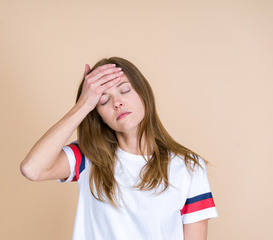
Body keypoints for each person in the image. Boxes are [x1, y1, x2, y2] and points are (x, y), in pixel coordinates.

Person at [20, 57, 218, 240]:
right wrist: (83, 104)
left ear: (143, 93)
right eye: (103, 100)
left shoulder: (189, 167)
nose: (117, 103)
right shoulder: (87, 157)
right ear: (98, 115)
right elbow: (32, 169)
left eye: (124, 90)